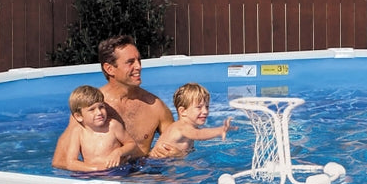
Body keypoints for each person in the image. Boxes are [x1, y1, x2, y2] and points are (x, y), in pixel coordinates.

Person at [51, 35, 174, 168]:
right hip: (103, 178)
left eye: (139, 60)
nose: (138, 66)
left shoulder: (155, 106)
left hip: (142, 174)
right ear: (109, 68)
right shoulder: (89, 107)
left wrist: (168, 154)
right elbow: (60, 161)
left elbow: (182, 146)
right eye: (130, 62)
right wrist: (97, 170)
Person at [58, 85, 139, 172]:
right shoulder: (78, 132)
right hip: (91, 172)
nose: (99, 112)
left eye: (101, 107)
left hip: (115, 171)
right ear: (79, 116)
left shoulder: (112, 125)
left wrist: (118, 152)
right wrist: (96, 169)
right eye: (92, 109)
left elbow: (132, 144)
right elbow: (71, 163)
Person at [149, 83, 236, 159]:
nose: (205, 111)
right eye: (199, 107)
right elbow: (199, 134)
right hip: (154, 163)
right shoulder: (182, 127)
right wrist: (220, 130)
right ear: (183, 111)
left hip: (165, 162)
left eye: (207, 107)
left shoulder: (190, 127)